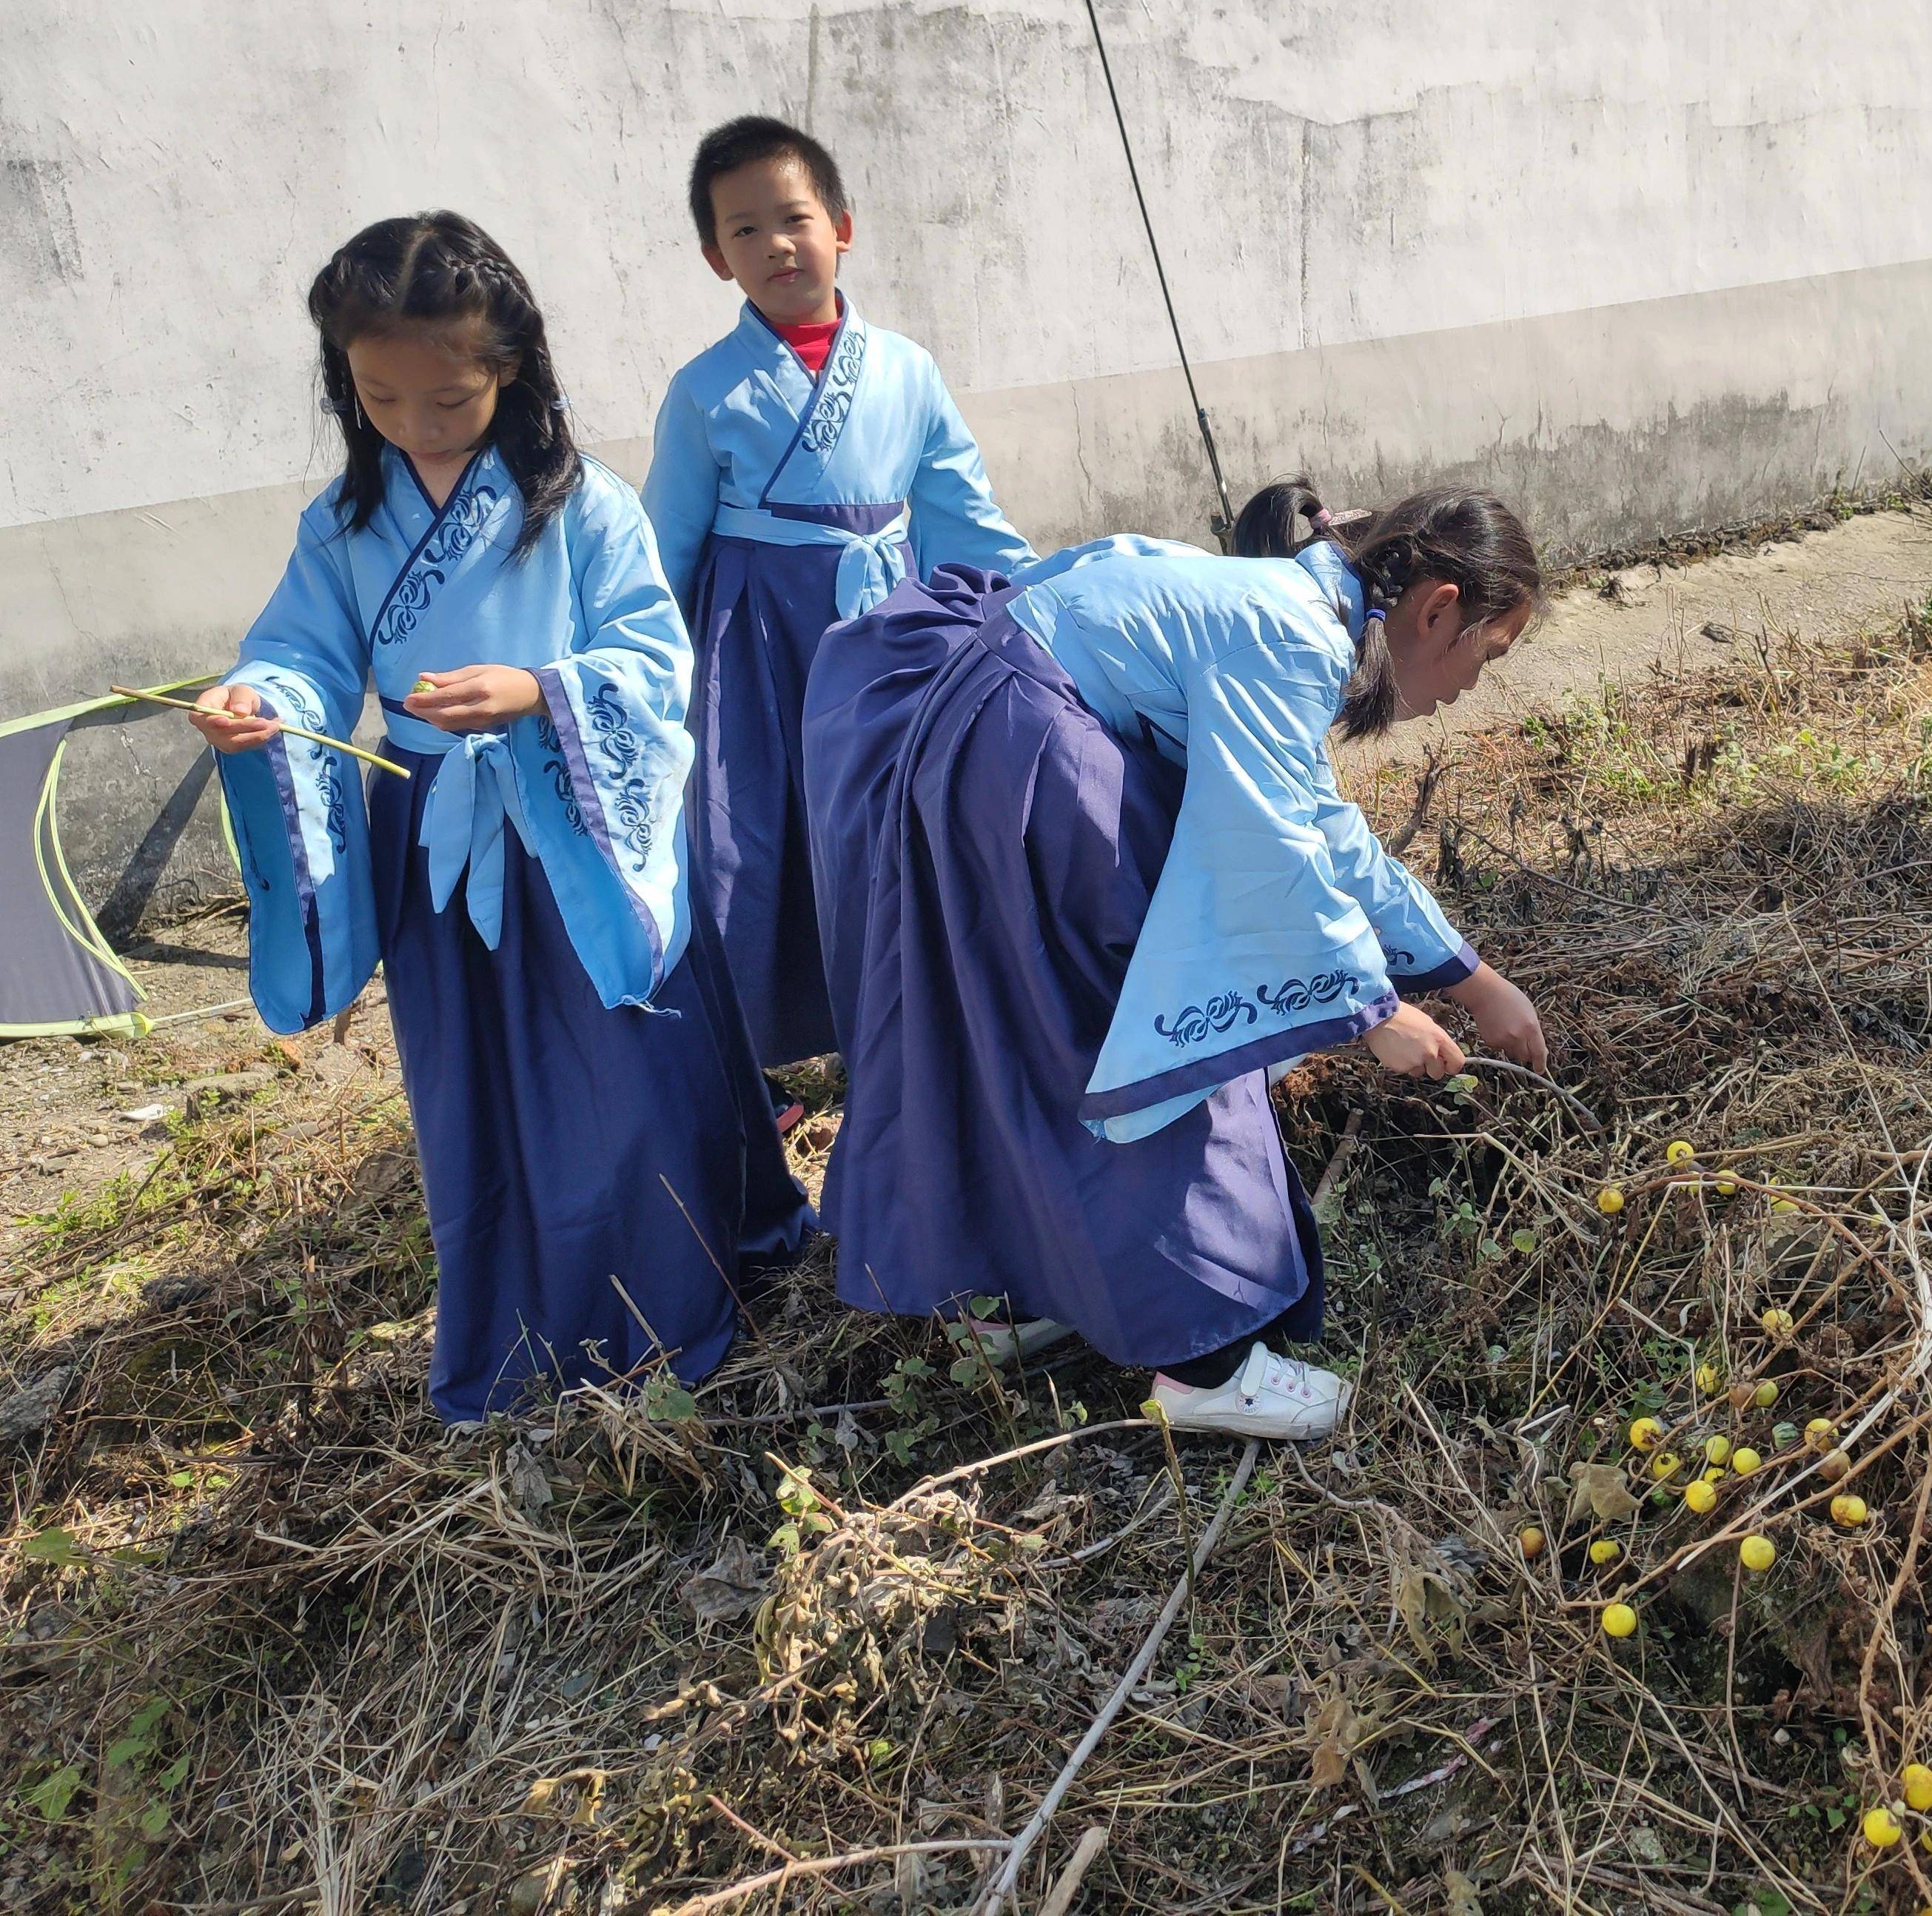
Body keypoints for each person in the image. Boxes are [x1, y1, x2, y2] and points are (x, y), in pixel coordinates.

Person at [191, 213, 814, 1425]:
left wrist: (540, 692)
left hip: (576, 821)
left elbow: (648, 656)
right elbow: (304, 652)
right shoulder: (342, 524)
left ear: (510, 371)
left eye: (448, 400)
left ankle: (673, 1297)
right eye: (379, 395)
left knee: (625, 1068)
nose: (414, 424)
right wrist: (258, 701)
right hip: (431, 828)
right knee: (474, 1082)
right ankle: (522, 1312)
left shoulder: (584, 508)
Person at [800, 475, 1550, 1439]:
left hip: (986, 751)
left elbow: (1322, 830)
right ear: (1438, 610)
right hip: (1030, 771)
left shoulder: (1291, 604)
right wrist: (1374, 1013)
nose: (1464, 693)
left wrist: (1469, 978)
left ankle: (1021, 1289)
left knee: (1020, 1034)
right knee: (1158, 1037)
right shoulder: (1291, 634)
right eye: (1484, 660)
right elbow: (1269, 850)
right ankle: (1206, 1364)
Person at [642, 115, 1035, 1073]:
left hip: (889, 636)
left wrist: (1030, 606)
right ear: (713, 257)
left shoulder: (908, 370)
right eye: (743, 230)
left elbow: (961, 517)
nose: (775, 244)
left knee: (894, 825)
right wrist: (644, 670)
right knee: (751, 840)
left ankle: (907, 1039)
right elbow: (664, 548)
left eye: (794, 217)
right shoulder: (705, 392)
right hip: (760, 647)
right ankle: (745, 1070)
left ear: (843, 227)